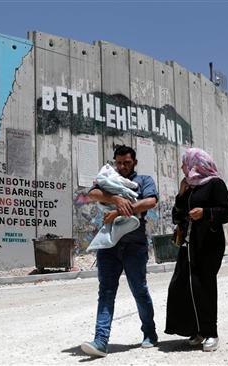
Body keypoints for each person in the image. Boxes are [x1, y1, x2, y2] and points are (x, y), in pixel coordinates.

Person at [81, 145, 159, 357]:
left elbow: (151, 201)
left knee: (139, 290)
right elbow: (93, 193)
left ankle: (150, 333)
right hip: (109, 245)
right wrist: (115, 198)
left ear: (134, 162)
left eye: (126, 162)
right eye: (119, 162)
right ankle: (100, 341)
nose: (122, 166)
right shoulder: (109, 179)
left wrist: (120, 211)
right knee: (106, 292)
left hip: (134, 245)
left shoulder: (144, 181)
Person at [165, 147, 228, 352]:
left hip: (208, 244)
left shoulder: (214, 183)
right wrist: (180, 195)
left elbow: (227, 212)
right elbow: (177, 216)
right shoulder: (190, 186)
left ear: (197, 164)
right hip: (188, 245)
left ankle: (211, 332)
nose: (182, 167)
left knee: (204, 286)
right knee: (183, 286)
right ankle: (197, 331)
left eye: (185, 162)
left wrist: (205, 212)